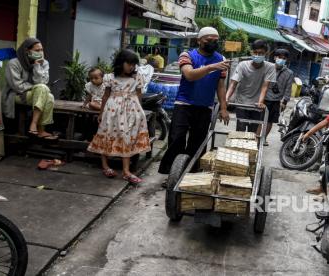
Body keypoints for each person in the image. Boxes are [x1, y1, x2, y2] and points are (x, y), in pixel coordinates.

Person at [158, 27, 230, 176]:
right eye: (208, 40)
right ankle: (172, 173)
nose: (212, 43)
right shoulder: (187, 55)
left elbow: (220, 85)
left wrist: (223, 107)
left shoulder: (221, 59)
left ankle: (190, 174)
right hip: (184, 104)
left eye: (215, 41)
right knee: (176, 139)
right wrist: (211, 67)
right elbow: (189, 75)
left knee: (197, 143)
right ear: (199, 40)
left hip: (205, 106)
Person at [87, 49, 150, 184]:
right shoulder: (110, 77)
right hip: (112, 110)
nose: (132, 67)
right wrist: (101, 113)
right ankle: (105, 166)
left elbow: (139, 95)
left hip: (131, 110)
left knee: (126, 136)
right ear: (121, 62)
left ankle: (126, 171)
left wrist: (140, 112)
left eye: (134, 64)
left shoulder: (137, 77)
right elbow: (105, 96)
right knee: (106, 134)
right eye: (129, 63)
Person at [1, 37, 57, 139]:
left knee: (49, 97)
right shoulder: (14, 63)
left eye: (41, 50)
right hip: (16, 94)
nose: (40, 53)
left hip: (36, 93)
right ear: (27, 51)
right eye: (37, 50)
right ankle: (38, 127)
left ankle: (36, 127)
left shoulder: (44, 63)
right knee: (43, 90)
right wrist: (36, 87)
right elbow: (17, 86)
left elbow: (44, 82)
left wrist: (37, 66)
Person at [226, 39, 276, 133]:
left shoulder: (270, 67)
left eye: (261, 53)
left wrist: (260, 102)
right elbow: (233, 84)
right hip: (241, 103)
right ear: (252, 52)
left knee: (252, 133)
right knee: (240, 131)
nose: (257, 55)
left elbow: (265, 86)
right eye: (255, 52)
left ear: (266, 53)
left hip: (256, 105)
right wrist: (226, 98)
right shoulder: (242, 65)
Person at [262, 48, 294, 145]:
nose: (281, 59)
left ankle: (263, 138)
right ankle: (256, 137)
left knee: (270, 121)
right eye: (279, 57)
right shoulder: (267, 68)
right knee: (260, 120)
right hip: (263, 98)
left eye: (284, 58)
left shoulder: (289, 73)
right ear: (275, 57)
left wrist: (284, 102)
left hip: (276, 100)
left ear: (286, 60)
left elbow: (288, 89)